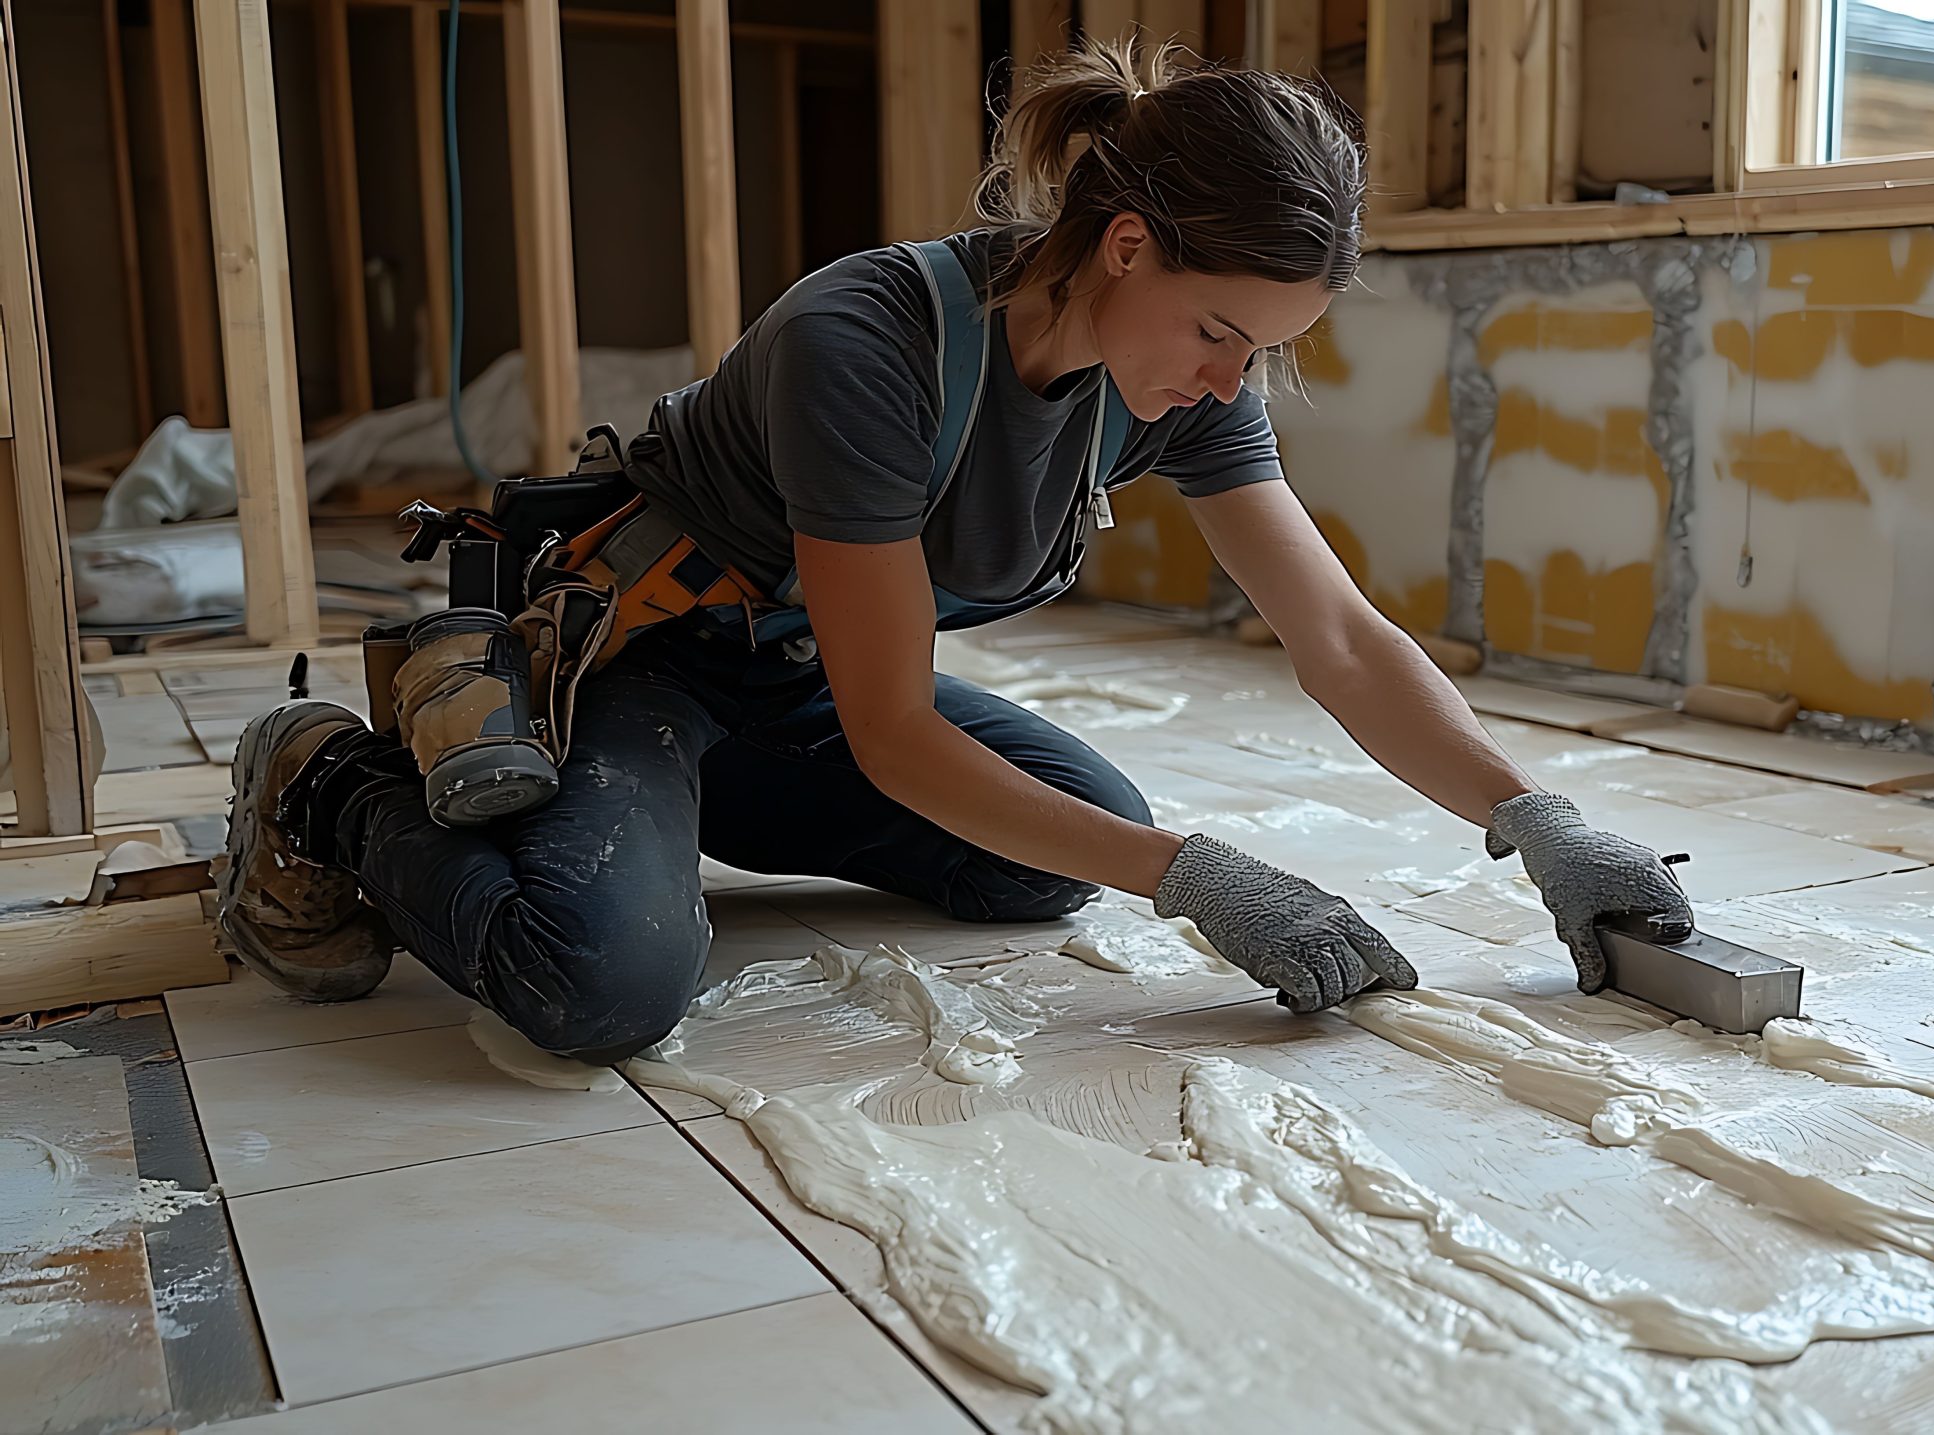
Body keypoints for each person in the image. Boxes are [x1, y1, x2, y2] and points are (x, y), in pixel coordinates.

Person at [211, 40, 1694, 1065]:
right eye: (1219, 333)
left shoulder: (1177, 385)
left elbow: (1343, 640)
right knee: (599, 985)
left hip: (801, 686)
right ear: (1125, 245)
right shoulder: (867, 344)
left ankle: (659, 825)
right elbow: (897, 730)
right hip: (640, 664)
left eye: (1264, 351)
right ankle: (332, 785)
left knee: (1062, 849)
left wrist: (1535, 819)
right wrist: (1192, 877)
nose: (1229, 381)